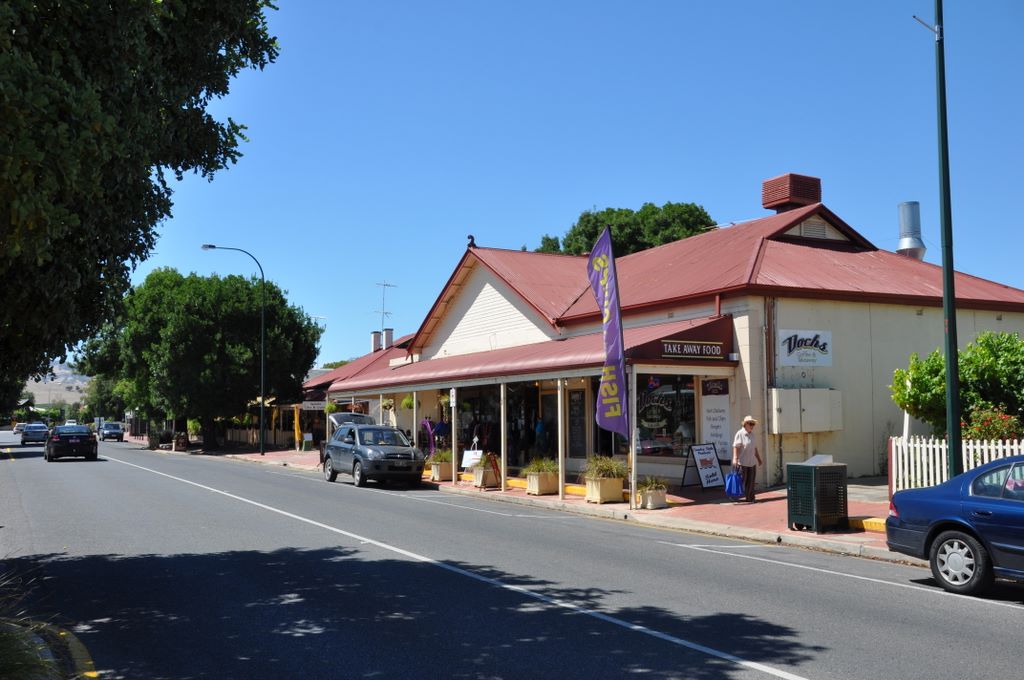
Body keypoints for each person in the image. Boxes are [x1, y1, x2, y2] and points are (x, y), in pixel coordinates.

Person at [732, 415, 763, 502]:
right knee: (741, 481)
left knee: (751, 481)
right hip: (742, 462)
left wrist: (759, 459)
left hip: (751, 462)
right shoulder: (740, 433)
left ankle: (750, 498)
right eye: (750, 424)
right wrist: (735, 458)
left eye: (753, 424)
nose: (752, 426)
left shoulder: (752, 435)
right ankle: (734, 496)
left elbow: (755, 448)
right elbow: (735, 446)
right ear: (745, 424)